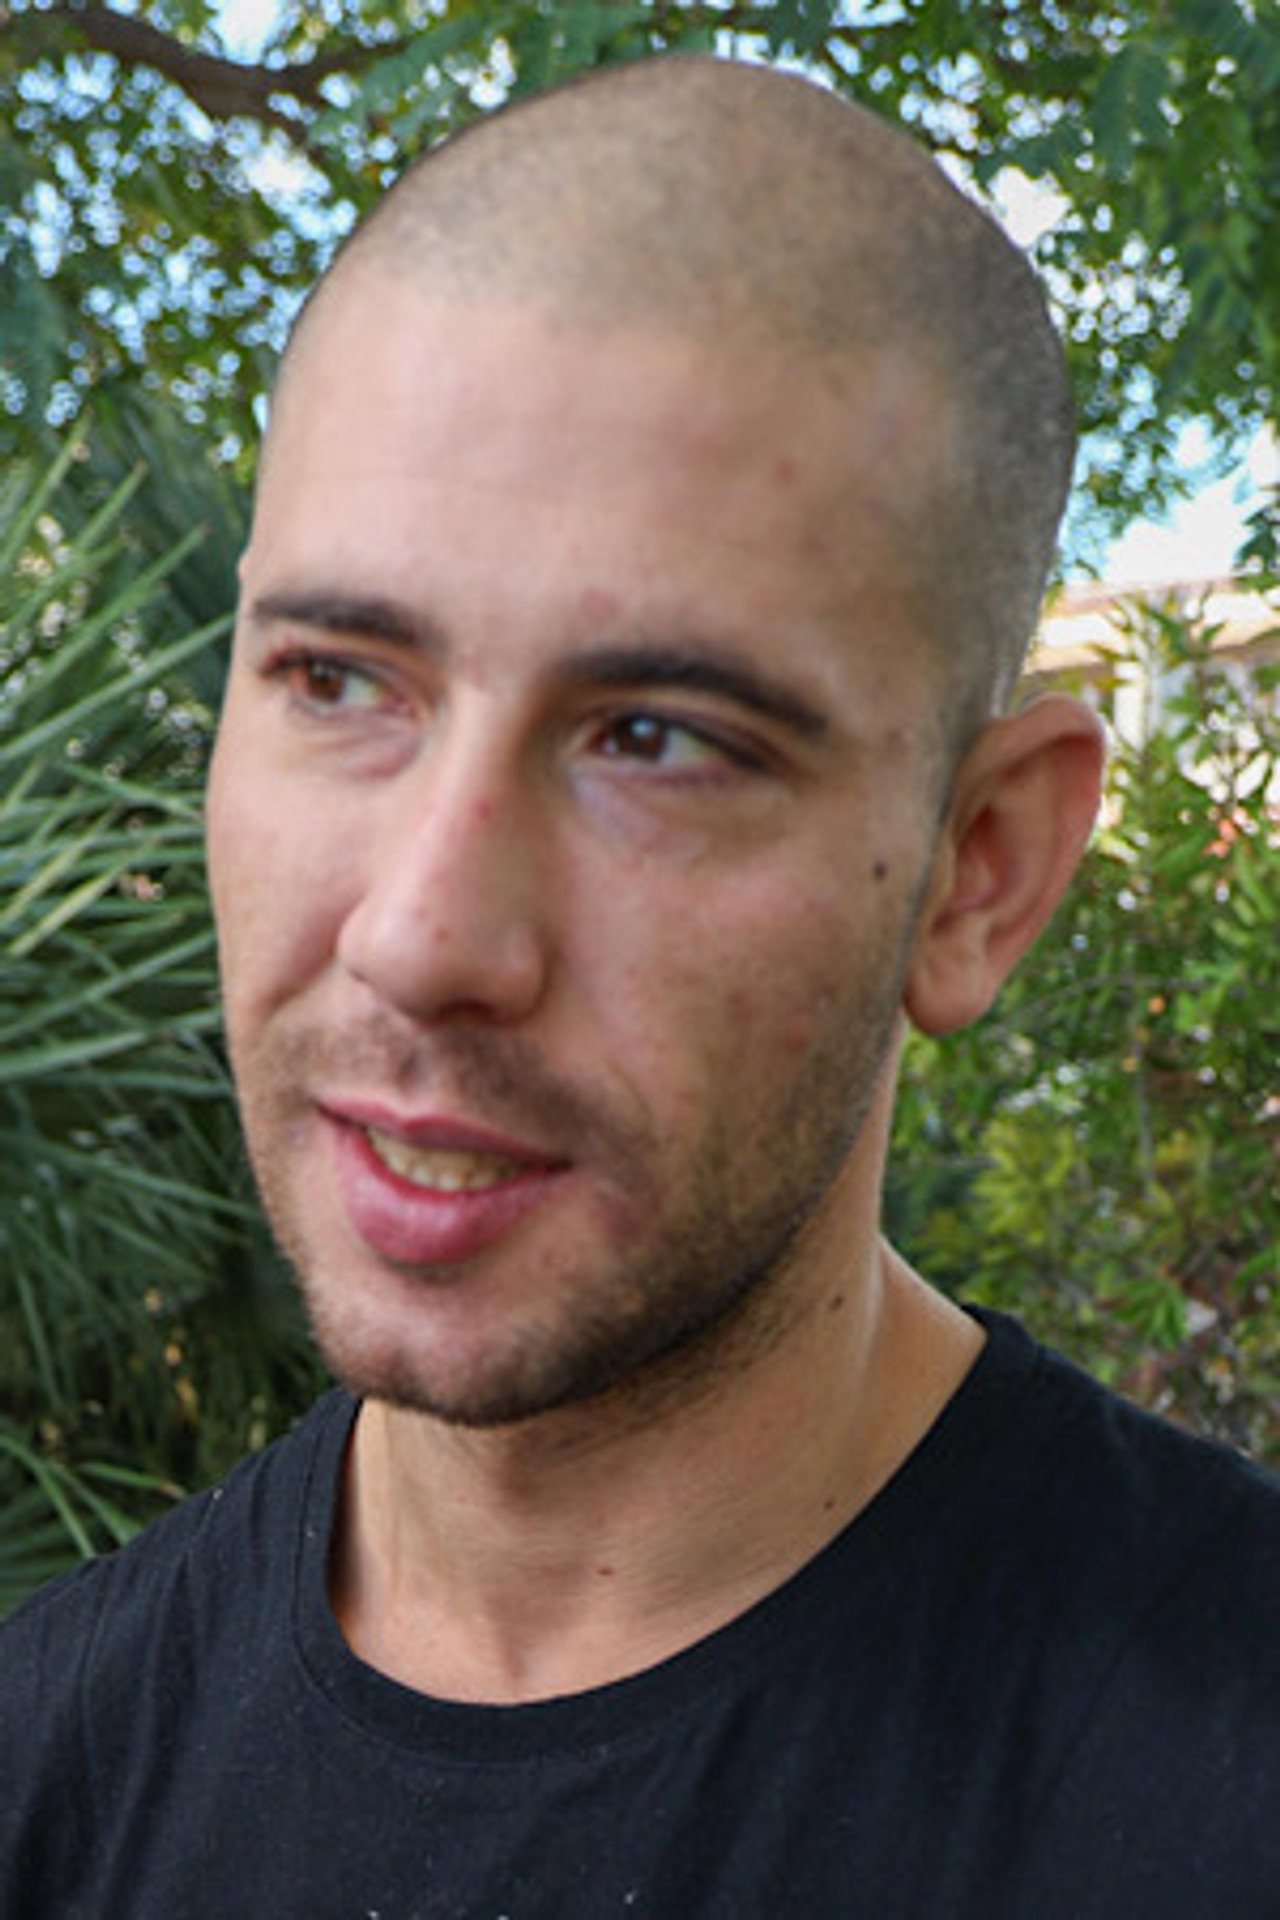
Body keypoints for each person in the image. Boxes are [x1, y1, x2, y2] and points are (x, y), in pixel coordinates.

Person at [2, 53, 1276, 1918]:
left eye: (658, 739)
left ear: (979, 869)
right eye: (340, 682)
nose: (422, 936)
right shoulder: (46, 1777)